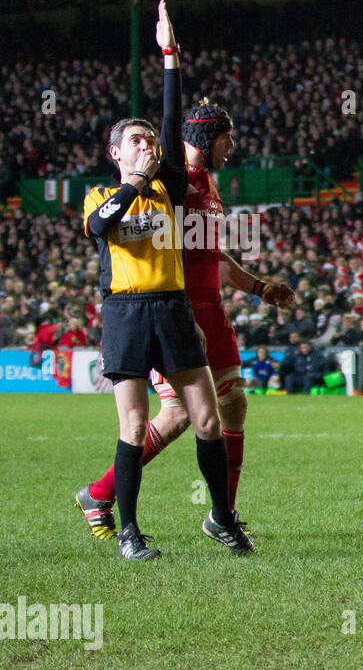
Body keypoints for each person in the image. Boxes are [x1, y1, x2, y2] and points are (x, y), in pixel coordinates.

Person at [75, 95, 296, 545]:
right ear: (206, 138)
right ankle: (106, 496)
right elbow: (143, 244)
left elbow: (210, 257)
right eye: (226, 138)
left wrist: (257, 286)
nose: (231, 147)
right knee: (181, 414)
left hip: (210, 311)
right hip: (170, 314)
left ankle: (221, 512)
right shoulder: (172, 186)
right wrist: (170, 58)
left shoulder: (209, 188)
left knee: (227, 406)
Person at [78, 0, 252, 559]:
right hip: (127, 313)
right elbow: (102, 227)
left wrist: (170, 56)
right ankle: (128, 530)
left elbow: (176, 121)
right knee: (135, 425)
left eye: (152, 141)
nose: (149, 145)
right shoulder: (102, 196)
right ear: (115, 152)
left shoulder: (172, 187)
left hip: (174, 308)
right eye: (137, 141)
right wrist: (132, 184)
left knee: (205, 417)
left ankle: (223, 517)